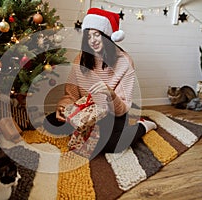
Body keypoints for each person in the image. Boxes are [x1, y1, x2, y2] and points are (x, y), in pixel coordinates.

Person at [43, 8, 156, 156]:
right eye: (88, 36)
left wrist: (110, 95)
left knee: (113, 144)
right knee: (51, 123)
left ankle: (143, 125)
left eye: (97, 34)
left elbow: (121, 108)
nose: (92, 41)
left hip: (113, 111)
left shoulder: (124, 62)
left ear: (107, 36)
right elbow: (71, 93)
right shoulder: (81, 58)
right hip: (87, 110)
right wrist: (64, 107)